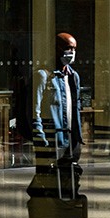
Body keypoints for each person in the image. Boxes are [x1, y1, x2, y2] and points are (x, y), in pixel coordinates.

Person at [31, 32, 84, 176]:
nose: (71, 53)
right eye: (68, 48)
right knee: (47, 179)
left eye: (74, 49)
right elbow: (35, 109)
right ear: (56, 48)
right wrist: (40, 136)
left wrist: (78, 137)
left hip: (71, 139)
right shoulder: (43, 75)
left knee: (70, 179)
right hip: (51, 138)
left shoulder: (73, 77)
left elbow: (76, 107)